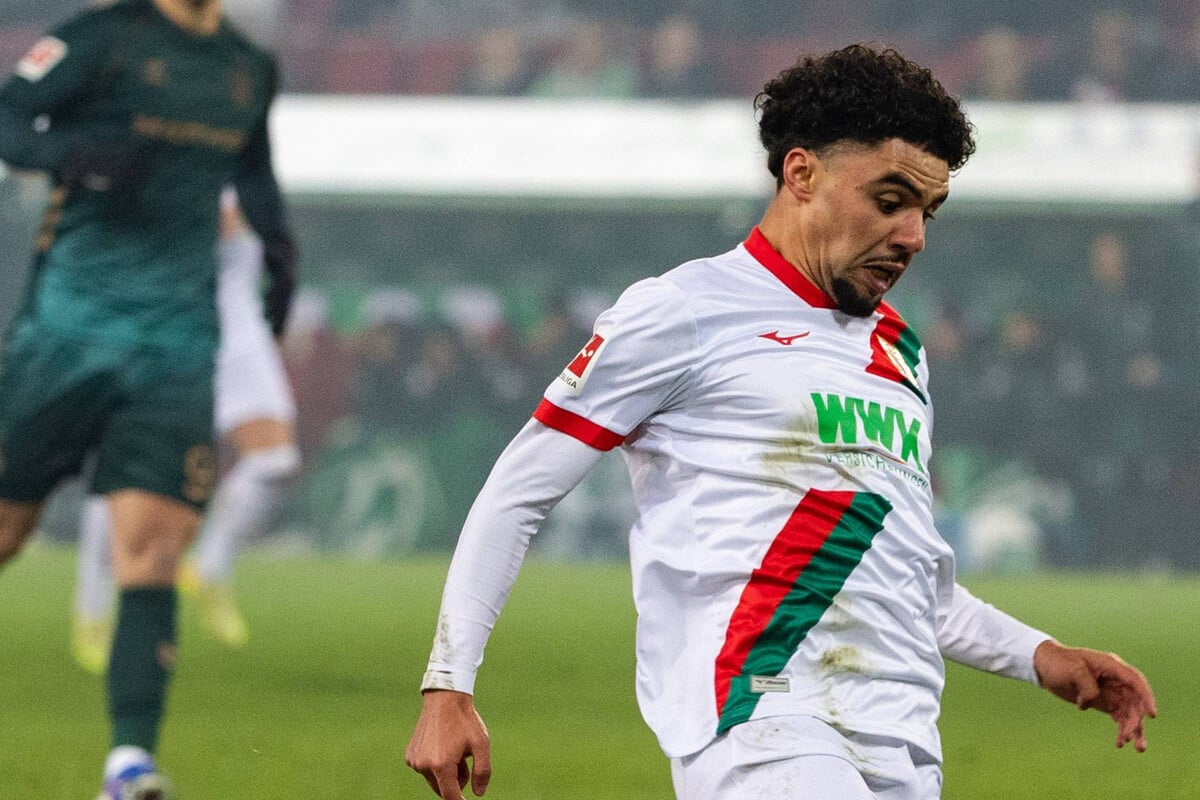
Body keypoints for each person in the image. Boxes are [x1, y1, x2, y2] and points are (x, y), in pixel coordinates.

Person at [404, 45, 1156, 800]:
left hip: (901, 733)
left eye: (926, 212)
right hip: (759, 718)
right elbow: (519, 491)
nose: (913, 236)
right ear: (802, 174)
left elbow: (904, 575)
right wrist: (447, 684)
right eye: (889, 200)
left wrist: (1041, 657)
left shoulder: (901, 351)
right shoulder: (683, 311)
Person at [0, 0, 295, 797]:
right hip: (65, 334)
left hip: (176, 345)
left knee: (156, 550)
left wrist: (279, 246)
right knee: (7, 531)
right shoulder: (104, 37)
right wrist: (71, 154)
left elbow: (252, 171)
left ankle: (128, 763)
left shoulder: (247, 68)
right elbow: (9, 116)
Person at [72, 191, 302, 673]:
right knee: (122, 473)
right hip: (169, 329)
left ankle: (210, 566)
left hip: (239, 332)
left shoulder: (242, 163)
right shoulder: (160, 161)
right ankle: (92, 608)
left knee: (276, 463)